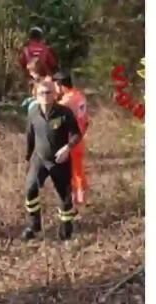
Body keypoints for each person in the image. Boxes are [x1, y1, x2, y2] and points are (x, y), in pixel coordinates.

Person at [23, 78, 82, 241]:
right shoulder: (33, 113)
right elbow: (30, 136)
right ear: (36, 95)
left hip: (59, 161)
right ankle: (34, 226)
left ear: (55, 94)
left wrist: (67, 148)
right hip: (39, 159)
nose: (45, 96)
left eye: (48, 92)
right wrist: (27, 158)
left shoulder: (64, 112)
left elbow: (77, 134)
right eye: (41, 93)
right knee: (30, 190)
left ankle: (66, 231)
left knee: (64, 197)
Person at [53, 70, 90, 205]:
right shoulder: (79, 96)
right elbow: (86, 120)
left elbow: (54, 120)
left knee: (72, 172)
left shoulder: (66, 102)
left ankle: (77, 200)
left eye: (55, 86)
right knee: (78, 171)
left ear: (61, 85)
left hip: (70, 140)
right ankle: (82, 199)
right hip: (80, 138)